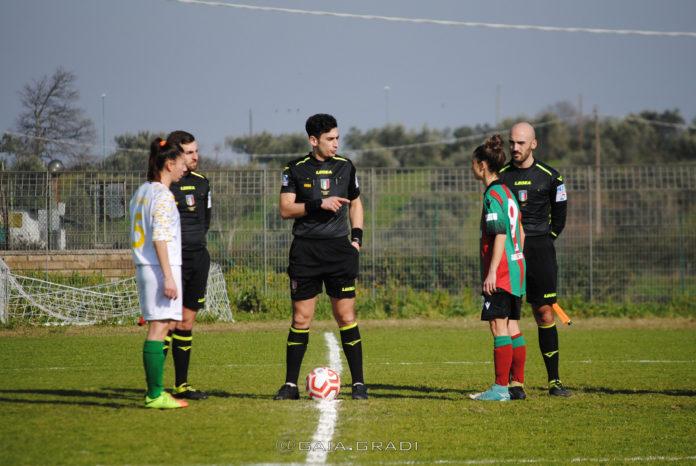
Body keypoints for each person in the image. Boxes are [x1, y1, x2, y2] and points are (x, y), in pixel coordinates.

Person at [274, 113, 368, 400]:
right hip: (306, 251)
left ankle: (360, 384)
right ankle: (290, 385)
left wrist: (356, 239)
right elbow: (285, 209)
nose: (335, 144)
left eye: (337, 138)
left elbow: (356, 204)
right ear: (313, 140)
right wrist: (318, 204)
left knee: (346, 315)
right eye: (329, 139)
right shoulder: (295, 169)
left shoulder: (346, 167)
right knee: (301, 318)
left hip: (339, 250)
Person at [499, 122, 571, 398]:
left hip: (540, 249)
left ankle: (554, 381)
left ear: (533, 144)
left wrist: (545, 238)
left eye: (520, 143)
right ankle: (511, 383)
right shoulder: (501, 176)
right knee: (508, 314)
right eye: (511, 143)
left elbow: (560, 213)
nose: (514, 148)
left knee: (544, 312)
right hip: (510, 249)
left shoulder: (551, 176)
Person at [130, 137, 188, 409]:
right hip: (158, 268)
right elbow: (160, 237)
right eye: (180, 163)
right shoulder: (163, 196)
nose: (184, 168)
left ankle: (155, 392)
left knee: (160, 326)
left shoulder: (142, 191)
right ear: (168, 163)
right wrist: (168, 276)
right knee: (159, 328)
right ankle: (155, 394)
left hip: (146, 266)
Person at [468, 134, 527, 402]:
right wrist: (517, 259)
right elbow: (521, 234)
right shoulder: (507, 192)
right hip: (516, 269)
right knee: (513, 325)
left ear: (482, 165)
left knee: (497, 325)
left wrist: (492, 272)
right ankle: (516, 385)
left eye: (473, 162)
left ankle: (500, 389)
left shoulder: (493, 195)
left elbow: (500, 233)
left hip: (501, 273)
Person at [164, 130, 211, 400]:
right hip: (173, 260)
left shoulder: (203, 183)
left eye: (196, 151)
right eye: (189, 152)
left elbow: (206, 221)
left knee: (186, 322)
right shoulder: (164, 184)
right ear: (175, 155)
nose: (196, 156)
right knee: (166, 323)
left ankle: (182, 385)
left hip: (198, 258)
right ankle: (156, 385)